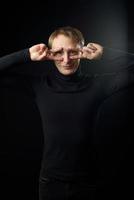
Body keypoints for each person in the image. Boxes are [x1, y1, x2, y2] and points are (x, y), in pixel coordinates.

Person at [0, 26, 134, 200]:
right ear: (50, 54)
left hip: (87, 182)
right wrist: (26, 54)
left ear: (83, 51)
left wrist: (104, 53)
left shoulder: (98, 85)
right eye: (59, 52)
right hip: (50, 183)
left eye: (73, 52)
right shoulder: (39, 86)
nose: (66, 59)